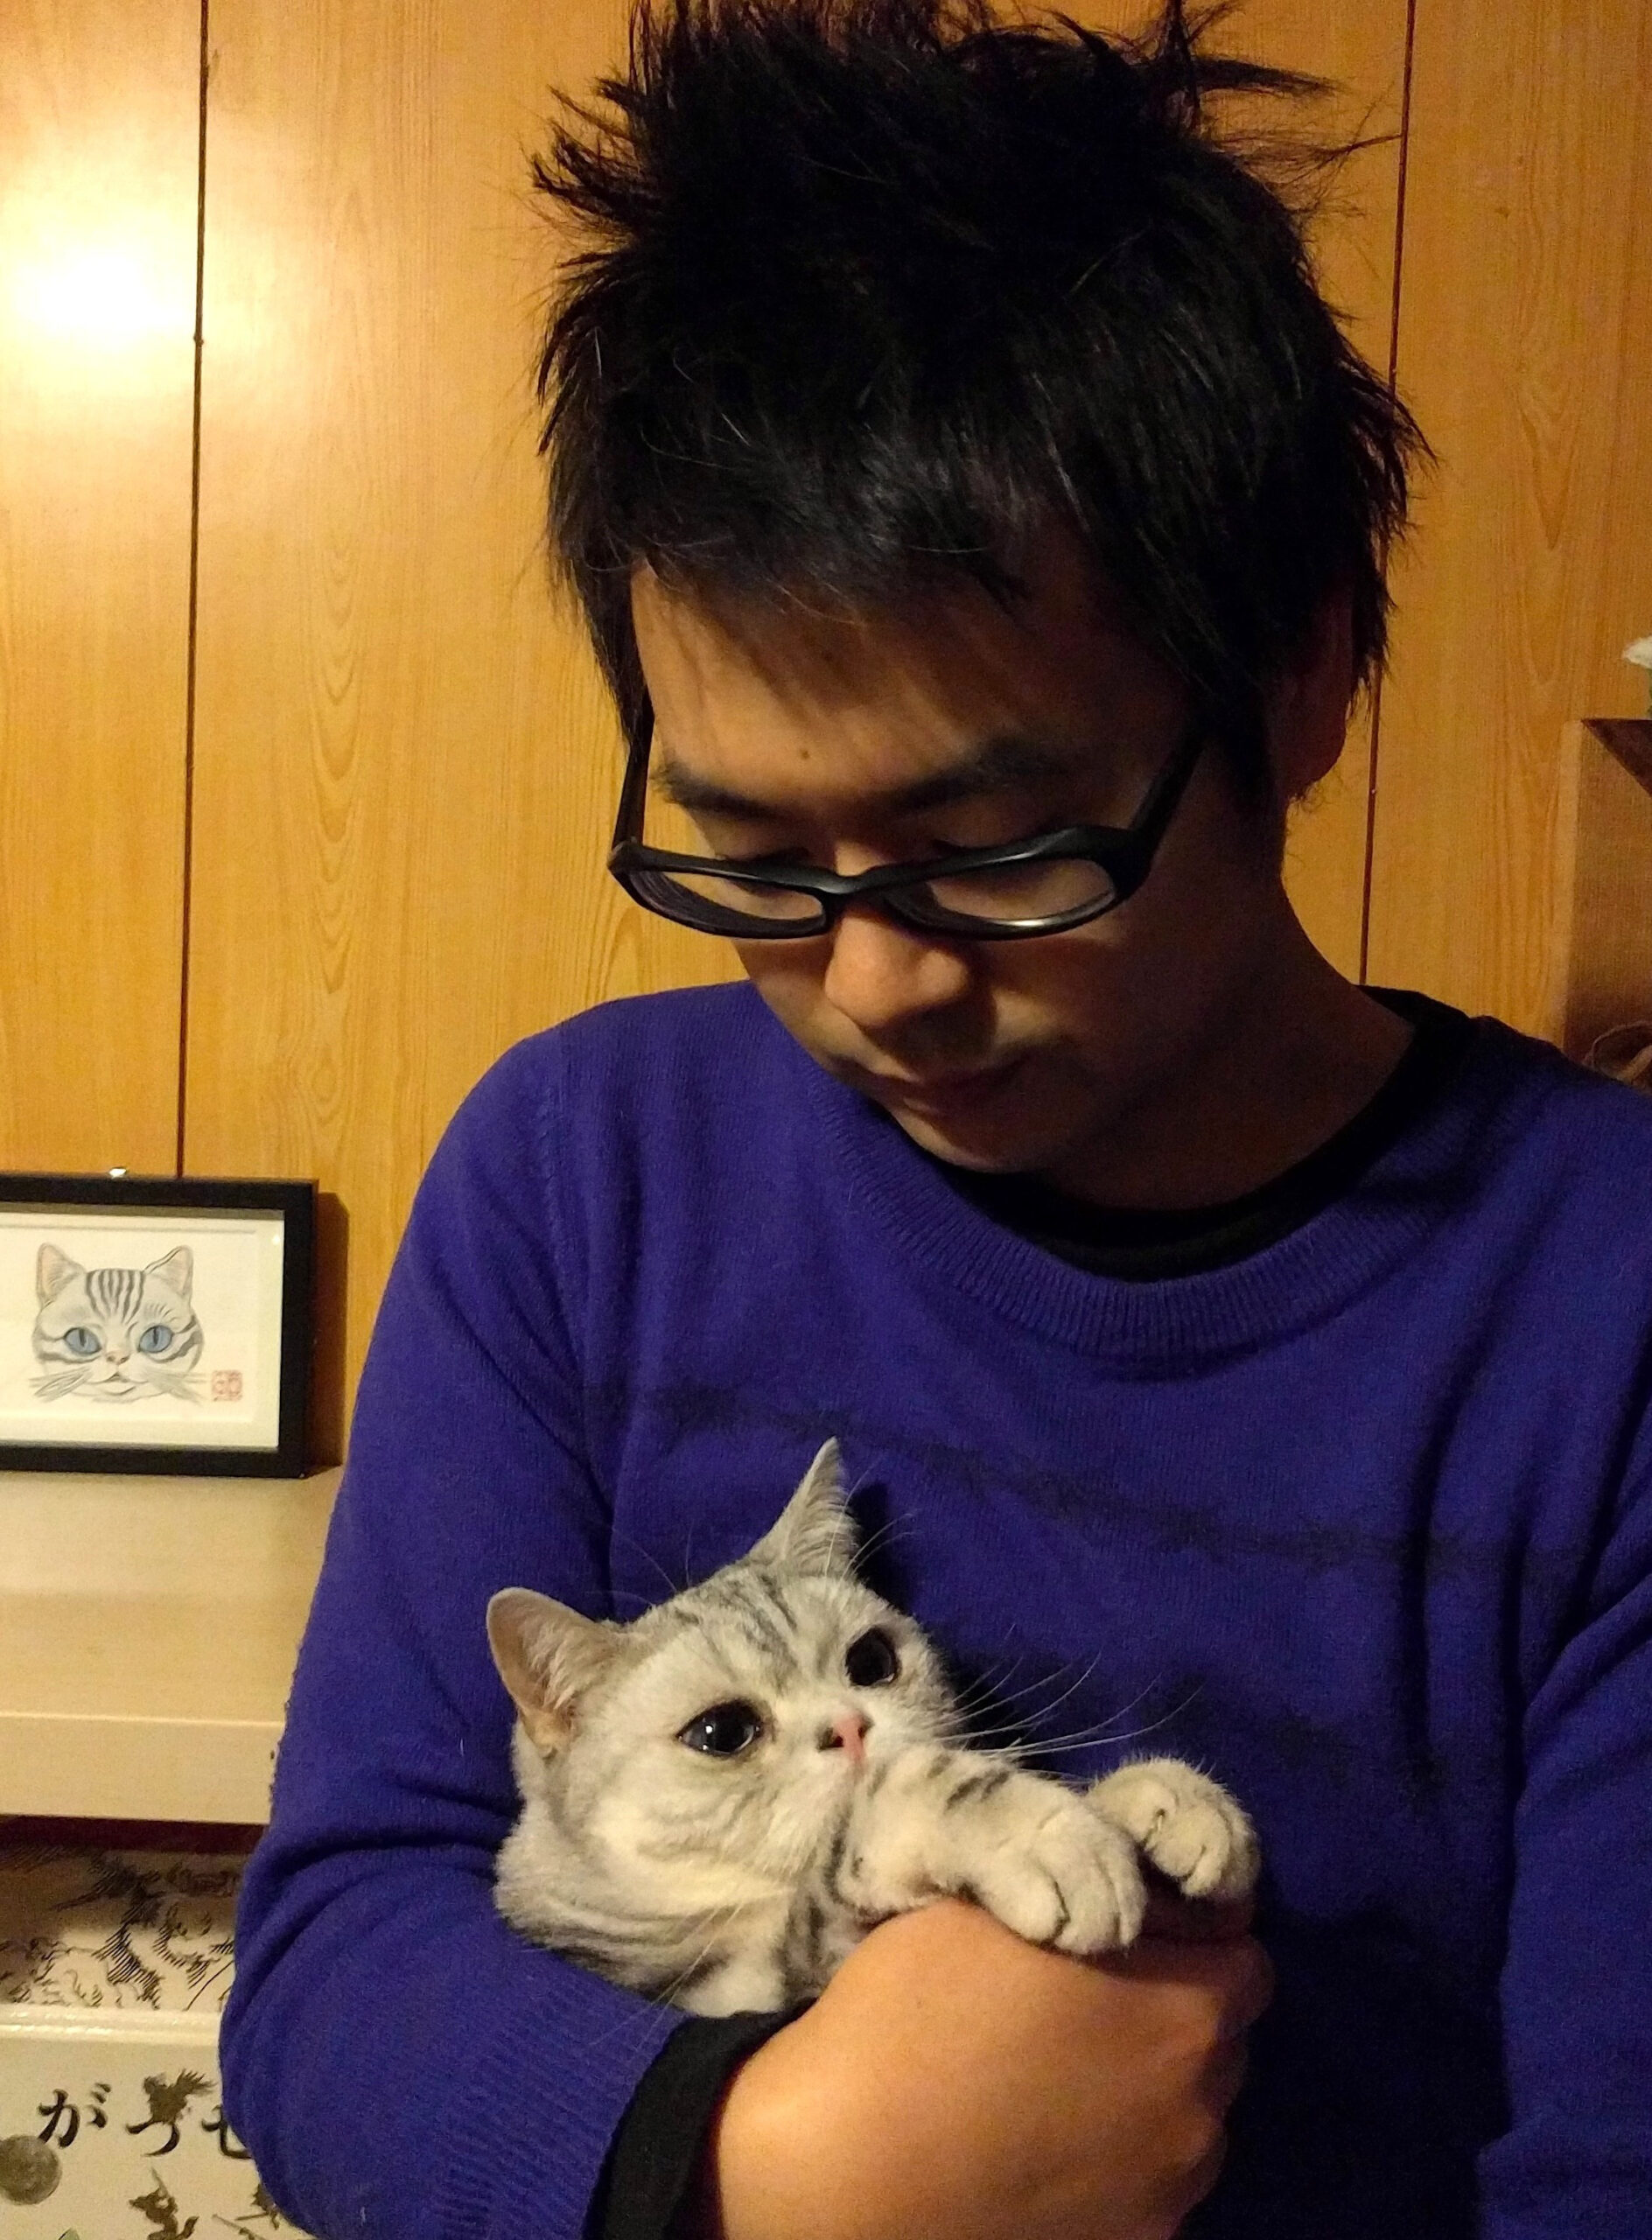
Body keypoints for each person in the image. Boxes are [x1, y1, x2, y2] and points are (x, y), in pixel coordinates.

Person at [220, 3, 1652, 2235]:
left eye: (997, 847)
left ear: (1297, 671)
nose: (876, 981)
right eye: (752, 856)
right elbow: (335, 1967)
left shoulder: (1600, 1296)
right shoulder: (584, 1176)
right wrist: (778, 2165)